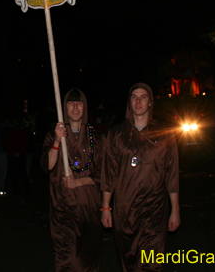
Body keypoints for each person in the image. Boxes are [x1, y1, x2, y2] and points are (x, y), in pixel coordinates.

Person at [102, 83, 180, 271]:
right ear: (129, 102)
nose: (138, 101)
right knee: (129, 260)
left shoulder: (164, 134)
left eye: (143, 97)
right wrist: (105, 207)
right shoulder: (116, 134)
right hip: (125, 209)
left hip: (155, 208)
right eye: (134, 97)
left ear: (150, 102)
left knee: (152, 262)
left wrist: (175, 209)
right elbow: (109, 173)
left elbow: (172, 174)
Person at [41, 89, 103, 272]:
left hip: (89, 209)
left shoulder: (96, 138)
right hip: (63, 209)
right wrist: (57, 142)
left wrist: (79, 182)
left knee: (88, 260)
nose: (75, 107)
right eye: (70, 103)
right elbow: (48, 166)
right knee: (66, 259)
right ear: (64, 107)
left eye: (79, 103)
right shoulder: (54, 135)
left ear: (85, 107)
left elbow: (104, 173)